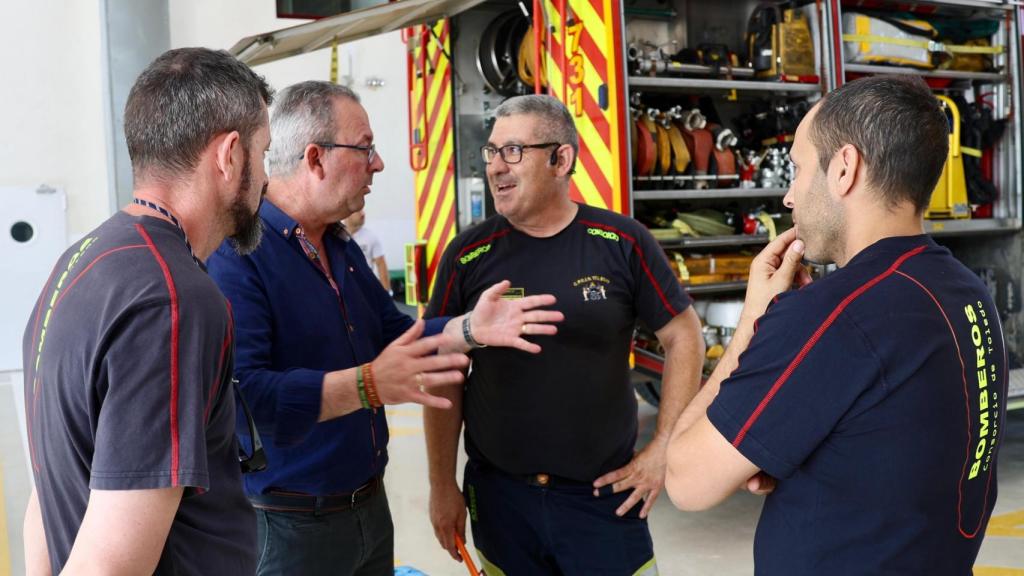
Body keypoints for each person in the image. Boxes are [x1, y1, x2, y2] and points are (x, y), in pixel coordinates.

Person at [206, 80, 562, 576]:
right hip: (290, 531)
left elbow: (395, 331)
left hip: (368, 511)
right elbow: (246, 400)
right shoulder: (238, 255)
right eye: (365, 148)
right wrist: (367, 384)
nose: (378, 164)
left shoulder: (337, 245)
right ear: (316, 159)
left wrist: (469, 328)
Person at [665, 75, 1008, 575]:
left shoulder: (835, 313)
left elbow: (685, 479)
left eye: (800, 170)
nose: (788, 197)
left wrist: (754, 321)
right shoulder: (964, 291)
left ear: (844, 168)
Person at [423, 94, 705, 575]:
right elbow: (442, 369)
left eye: (513, 151)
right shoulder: (468, 254)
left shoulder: (623, 243)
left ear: (561, 159)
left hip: (604, 498)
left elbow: (686, 337)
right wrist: (441, 484)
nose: (495, 167)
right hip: (499, 498)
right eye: (491, 152)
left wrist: (662, 450)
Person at [21, 48, 273, 575]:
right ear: (229, 155)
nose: (266, 178)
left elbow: (47, 492)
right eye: (264, 153)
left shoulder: (80, 263)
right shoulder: (173, 298)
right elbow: (111, 566)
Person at [344, 209, 391, 293]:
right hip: (345, 290)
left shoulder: (370, 237)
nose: (363, 214)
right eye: (358, 211)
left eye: (363, 211)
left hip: (365, 289)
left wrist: (387, 292)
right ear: (348, 214)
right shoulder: (336, 236)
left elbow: (381, 264)